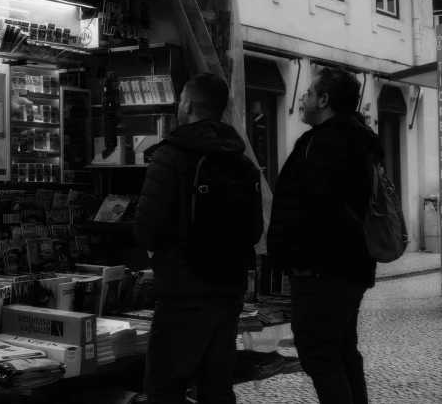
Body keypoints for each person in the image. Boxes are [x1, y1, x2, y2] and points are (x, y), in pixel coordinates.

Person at [135, 72, 263, 404]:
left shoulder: (170, 154)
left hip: (183, 292)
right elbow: (254, 231)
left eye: (181, 100)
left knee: (165, 386)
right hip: (228, 291)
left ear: (188, 104)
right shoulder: (241, 159)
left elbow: (147, 229)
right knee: (217, 385)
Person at [267, 67, 381, 404]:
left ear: (325, 100)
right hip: (347, 267)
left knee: (319, 354)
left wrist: (299, 260)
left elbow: (319, 210)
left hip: (325, 271)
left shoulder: (329, 141)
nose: (302, 99)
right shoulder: (355, 137)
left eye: (309, 93)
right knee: (343, 353)